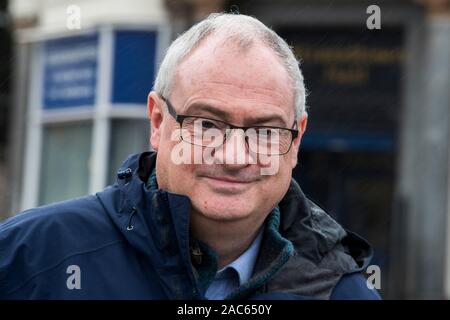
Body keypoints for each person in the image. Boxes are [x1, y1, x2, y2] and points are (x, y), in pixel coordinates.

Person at [0, 13, 380, 300]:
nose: (234, 156)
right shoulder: (30, 258)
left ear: (296, 141)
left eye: (265, 130)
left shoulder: (341, 292)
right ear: (158, 121)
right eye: (207, 125)